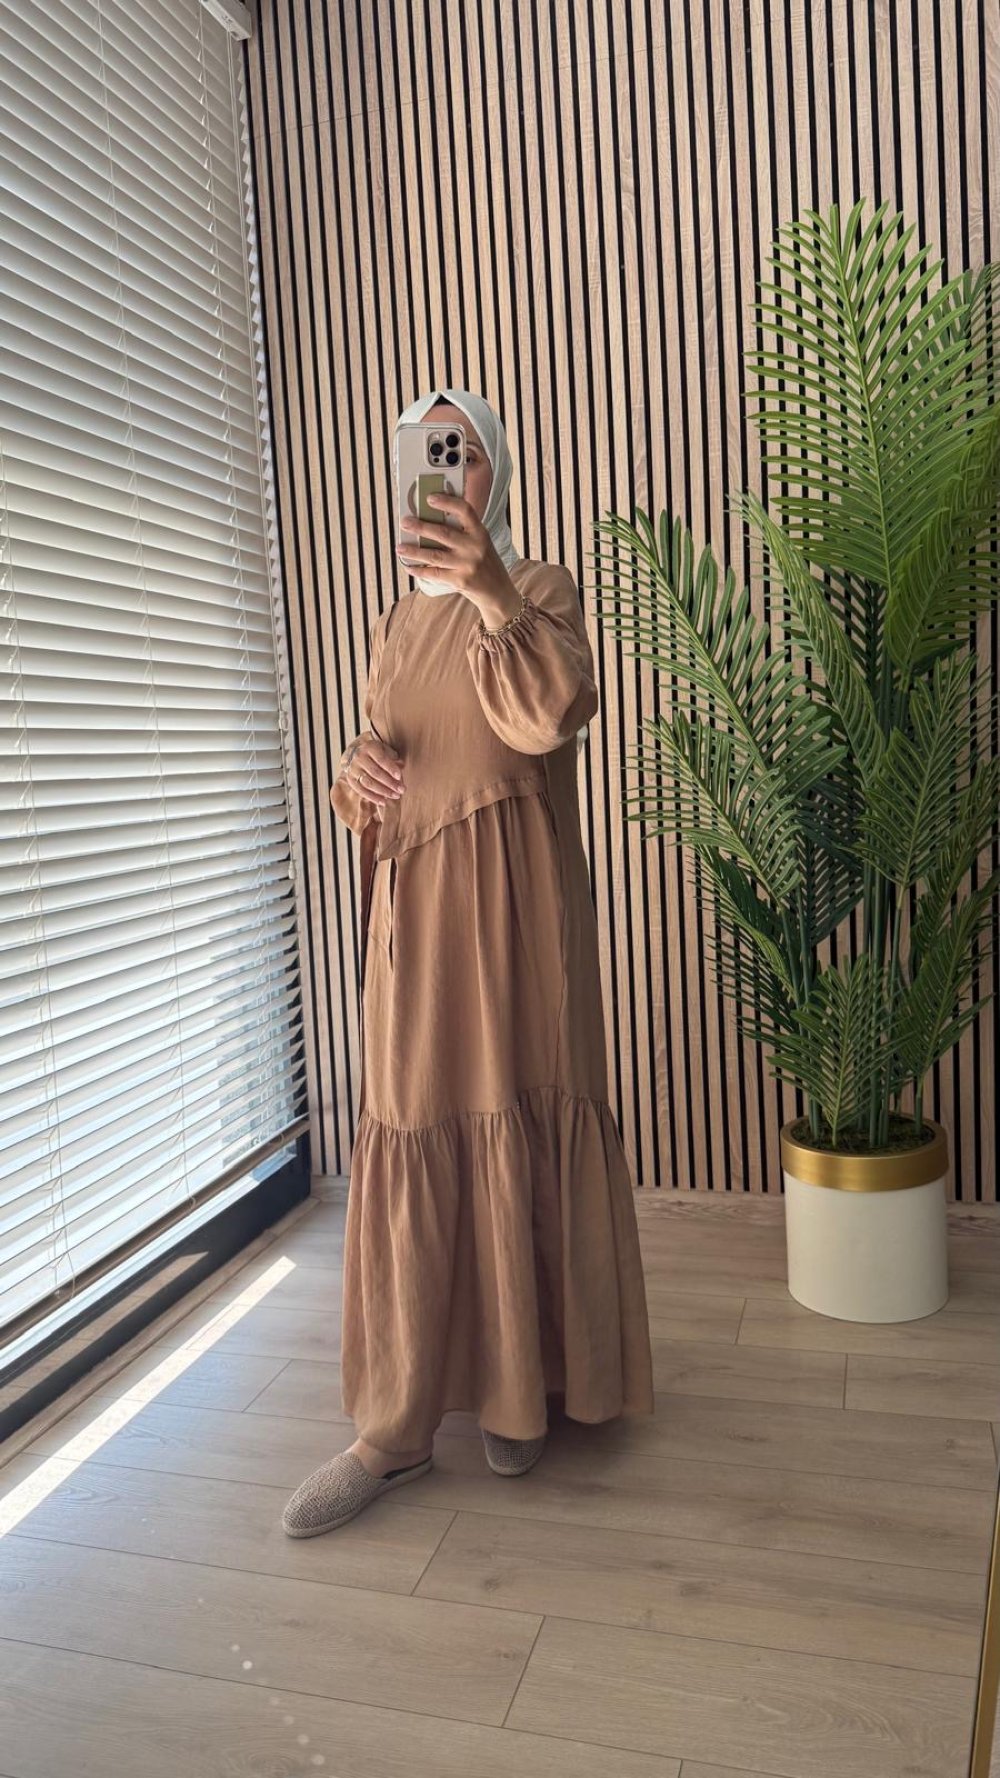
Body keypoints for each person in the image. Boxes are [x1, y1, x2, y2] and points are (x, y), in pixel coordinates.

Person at [282, 388, 654, 1538]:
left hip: (519, 918)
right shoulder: (393, 626)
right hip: (418, 923)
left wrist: (491, 587)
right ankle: (392, 1430)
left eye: (465, 451)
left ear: (494, 471)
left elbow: (546, 714)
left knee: (516, 1112)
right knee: (414, 1122)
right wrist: (355, 772)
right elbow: (388, 772)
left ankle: (521, 1386)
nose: (445, 469)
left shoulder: (539, 590)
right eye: (426, 449)